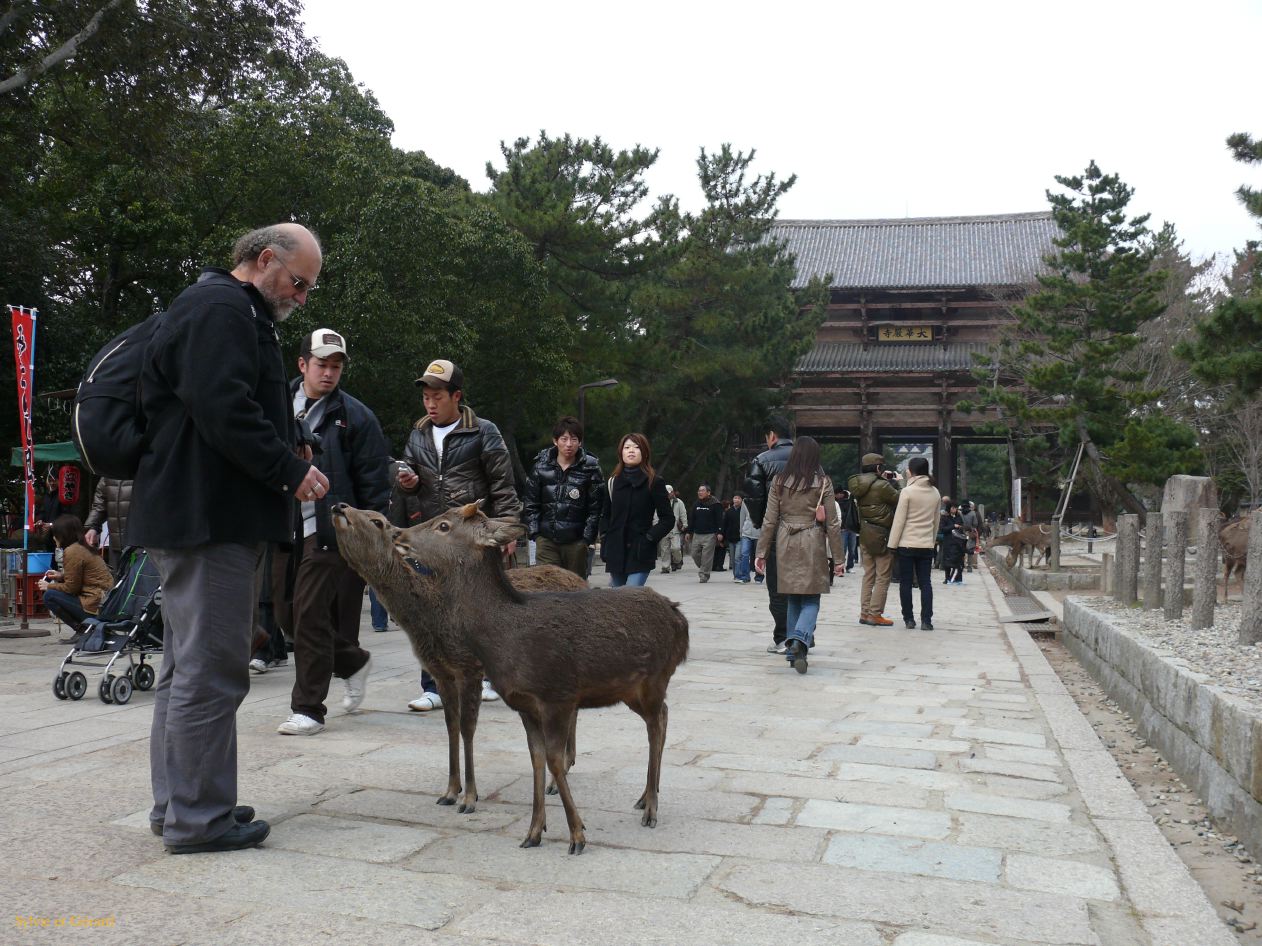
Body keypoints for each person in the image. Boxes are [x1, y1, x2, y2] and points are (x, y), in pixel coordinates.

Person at [129, 222, 328, 854]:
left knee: (187, 669)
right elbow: (225, 409)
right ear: (264, 260)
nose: (300, 296)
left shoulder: (221, 308)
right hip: (209, 518)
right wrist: (289, 469)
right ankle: (199, 817)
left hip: (194, 513)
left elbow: (222, 406)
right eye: (298, 282)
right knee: (211, 672)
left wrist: (283, 442)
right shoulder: (220, 308)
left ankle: (183, 803)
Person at [276, 329, 391, 737]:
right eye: (322, 364)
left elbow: (375, 485)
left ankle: (308, 708)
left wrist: (371, 542)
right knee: (284, 613)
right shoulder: (275, 402)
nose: (328, 373)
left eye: (336, 366)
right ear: (303, 364)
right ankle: (351, 660)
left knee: (308, 613)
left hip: (331, 530)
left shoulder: (356, 416)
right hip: (280, 525)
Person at [396, 359, 522, 712]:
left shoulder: (484, 431)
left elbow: (502, 483)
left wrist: (506, 529)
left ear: (457, 396)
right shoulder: (417, 433)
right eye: (426, 397)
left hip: (471, 539)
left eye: (437, 396)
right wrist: (407, 483)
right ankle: (433, 685)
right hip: (431, 539)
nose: (430, 404)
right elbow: (407, 484)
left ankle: (485, 678)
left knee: (477, 611)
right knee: (427, 612)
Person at [754, 437, 844, 674]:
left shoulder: (779, 481)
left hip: (785, 540)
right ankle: (799, 639)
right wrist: (839, 559)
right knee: (812, 597)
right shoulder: (823, 482)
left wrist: (761, 552)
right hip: (812, 538)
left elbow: (769, 519)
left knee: (793, 596)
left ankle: (795, 650)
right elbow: (833, 523)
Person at [524, 415, 604, 578]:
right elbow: (530, 503)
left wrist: (586, 539)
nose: (569, 444)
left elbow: (596, 509)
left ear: (579, 442)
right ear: (555, 441)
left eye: (574, 439)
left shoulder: (591, 467)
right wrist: (535, 533)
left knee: (575, 591)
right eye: (564, 439)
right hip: (546, 540)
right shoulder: (540, 466)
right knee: (547, 589)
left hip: (576, 542)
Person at [744, 416, 795, 652]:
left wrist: (761, 525)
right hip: (807, 532)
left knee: (776, 586)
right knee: (802, 584)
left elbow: (755, 499)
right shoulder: (808, 459)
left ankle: (783, 637)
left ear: (772, 436)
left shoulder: (762, 460)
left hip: (775, 530)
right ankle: (803, 634)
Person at [599, 433, 673, 587]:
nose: (631, 450)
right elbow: (605, 515)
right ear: (621, 452)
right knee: (616, 603)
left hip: (640, 551)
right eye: (627, 447)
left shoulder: (654, 481)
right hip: (616, 550)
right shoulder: (613, 481)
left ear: (645, 452)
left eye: (636, 447)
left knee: (632, 599)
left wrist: (649, 538)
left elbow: (668, 519)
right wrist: (605, 538)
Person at [887, 457, 941, 631]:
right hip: (926, 544)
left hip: (907, 544)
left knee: (906, 582)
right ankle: (927, 620)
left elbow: (899, 521)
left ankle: (909, 619)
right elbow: (936, 521)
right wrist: (931, 542)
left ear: (912, 471)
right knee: (926, 583)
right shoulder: (935, 492)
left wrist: (892, 545)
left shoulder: (907, 492)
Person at [848, 452, 901, 627]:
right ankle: (875, 614)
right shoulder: (882, 486)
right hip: (882, 534)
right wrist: (898, 482)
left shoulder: (856, 484)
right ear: (878, 468)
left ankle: (864, 612)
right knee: (883, 575)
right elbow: (899, 499)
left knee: (868, 574)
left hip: (865, 533)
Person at [38, 514, 113, 634]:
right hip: (104, 602)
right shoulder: (83, 546)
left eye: (55, 535)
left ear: (63, 534)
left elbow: (71, 588)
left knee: (49, 596)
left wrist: (49, 586)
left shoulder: (73, 551)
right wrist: (61, 575)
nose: (54, 538)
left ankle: (83, 631)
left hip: (96, 605)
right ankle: (86, 629)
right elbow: (83, 576)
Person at [83, 477, 132, 574]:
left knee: (140, 580)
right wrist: (92, 527)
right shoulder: (107, 472)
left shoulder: (145, 466)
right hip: (115, 542)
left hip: (142, 543)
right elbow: (100, 504)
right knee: (116, 580)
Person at [686, 484, 724, 582]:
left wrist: (720, 532)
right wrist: (688, 532)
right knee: (694, 554)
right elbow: (692, 519)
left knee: (707, 556)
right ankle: (705, 567)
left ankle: (704, 575)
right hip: (697, 534)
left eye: (702, 491)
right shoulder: (696, 504)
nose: (700, 492)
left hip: (710, 534)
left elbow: (720, 519)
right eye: (699, 491)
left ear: (708, 492)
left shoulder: (715, 504)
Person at [658, 485, 687, 574]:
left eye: (668, 492)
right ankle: (665, 567)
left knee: (676, 548)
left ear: (672, 492)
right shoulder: (660, 502)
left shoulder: (679, 502)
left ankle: (678, 560)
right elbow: (655, 515)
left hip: (675, 530)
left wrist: (685, 524)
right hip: (663, 529)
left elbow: (683, 514)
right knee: (664, 549)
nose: (666, 494)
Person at [942, 502, 967, 584]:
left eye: (955, 508)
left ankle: (956, 578)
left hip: (957, 542)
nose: (954, 509)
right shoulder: (945, 518)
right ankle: (947, 577)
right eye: (952, 508)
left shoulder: (959, 517)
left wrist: (960, 527)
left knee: (957, 560)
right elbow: (943, 529)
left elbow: (962, 527)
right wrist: (953, 526)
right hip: (948, 541)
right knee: (947, 561)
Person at [727, 494, 750, 582]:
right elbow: (725, 524)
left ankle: (738, 576)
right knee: (733, 559)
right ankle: (735, 575)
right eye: (735, 498)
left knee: (737, 557)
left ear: (742, 500)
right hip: (731, 538)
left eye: (738, 498)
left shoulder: (743, 510)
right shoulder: (729, 511)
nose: (736, 500)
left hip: (741, 537)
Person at [837, 486, 859, 572]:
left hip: (847, 528)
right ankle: (846, 567)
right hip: (849, 528)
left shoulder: (850, 502)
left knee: (848, 549)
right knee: (848, 549)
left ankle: (846, 567)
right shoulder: (849, 501)